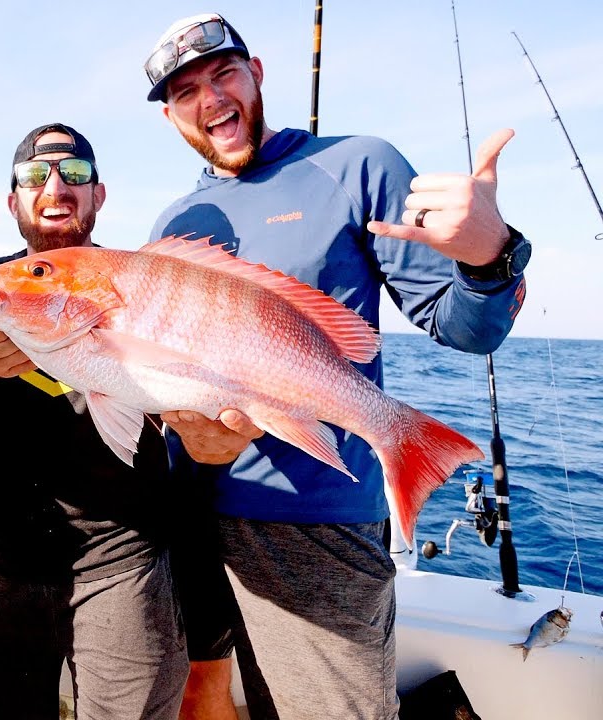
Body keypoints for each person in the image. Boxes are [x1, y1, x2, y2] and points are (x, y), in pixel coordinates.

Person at [141, 13, 529, 720]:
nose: (210, 99)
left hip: (311, 528)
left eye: (223, 73)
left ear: (256, 73)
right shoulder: (171, 224)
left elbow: (466, 329)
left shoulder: (359, 164)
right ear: (171, 117)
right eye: (185, 92)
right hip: (187, 526)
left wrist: (489, 257)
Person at [0, 123, 189, 720]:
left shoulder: (139, 284)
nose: (57, 186)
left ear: (99, 195)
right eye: (36, 175)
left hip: (126, 561)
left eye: (75, 174)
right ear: (14, 199)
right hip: (3, 562)